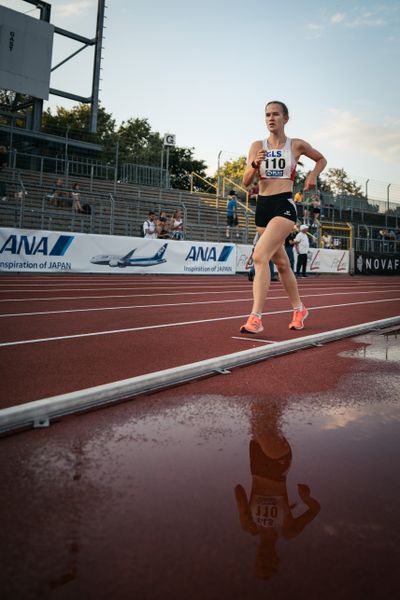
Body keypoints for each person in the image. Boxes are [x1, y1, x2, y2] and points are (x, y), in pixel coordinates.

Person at [240, 100, 326, 334]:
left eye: (275, 114)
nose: (270, 118)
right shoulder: (256, 145)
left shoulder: (295, 145)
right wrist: (255, 163)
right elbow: (246, 181)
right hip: (263, 207)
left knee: (260, 256)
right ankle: (299, 309)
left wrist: (313, 175)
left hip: (284, 205)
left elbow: (321, 159)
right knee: (282, 264)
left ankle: (256, 317)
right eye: (267, 114)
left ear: (285, 119)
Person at [234, 400, 321, 580]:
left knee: (262, 413)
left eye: (260, 559)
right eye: (268, 560)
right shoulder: (288, 531)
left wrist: (243, 514)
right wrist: (306, 497)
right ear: (276, 558)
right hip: (277, 466)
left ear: (257, 556)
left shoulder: (250, 526)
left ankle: (277, 390)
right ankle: (277, 388)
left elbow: (238, 490)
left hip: (256, 465)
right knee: (260, 420)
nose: (264, 555)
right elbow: (315, 509)